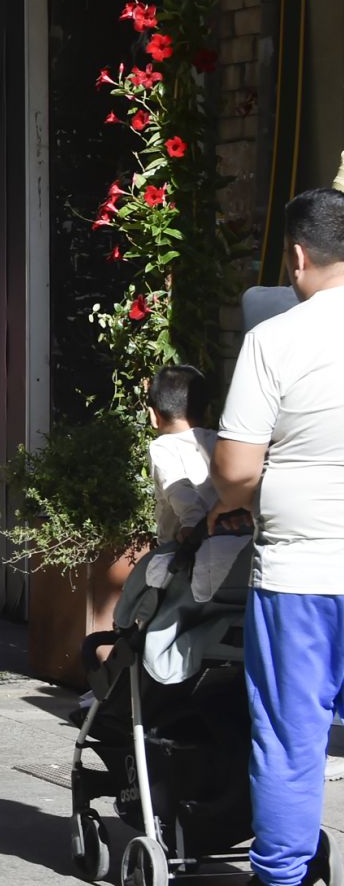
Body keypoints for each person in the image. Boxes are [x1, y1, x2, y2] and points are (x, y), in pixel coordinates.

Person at [210, 189, 344, 886]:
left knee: (293, 744)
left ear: (297, 255)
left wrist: (231, 502)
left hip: (301, 576)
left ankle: (284, 877)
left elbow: (235, 471)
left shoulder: (274, 339)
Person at [145, 365, 217, 546]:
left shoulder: (162, 447)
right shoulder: (220, 441)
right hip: (228, 537)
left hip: (181, 546)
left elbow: (176, 487)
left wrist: (192, 522)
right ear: (208, 412)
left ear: (154, 416)